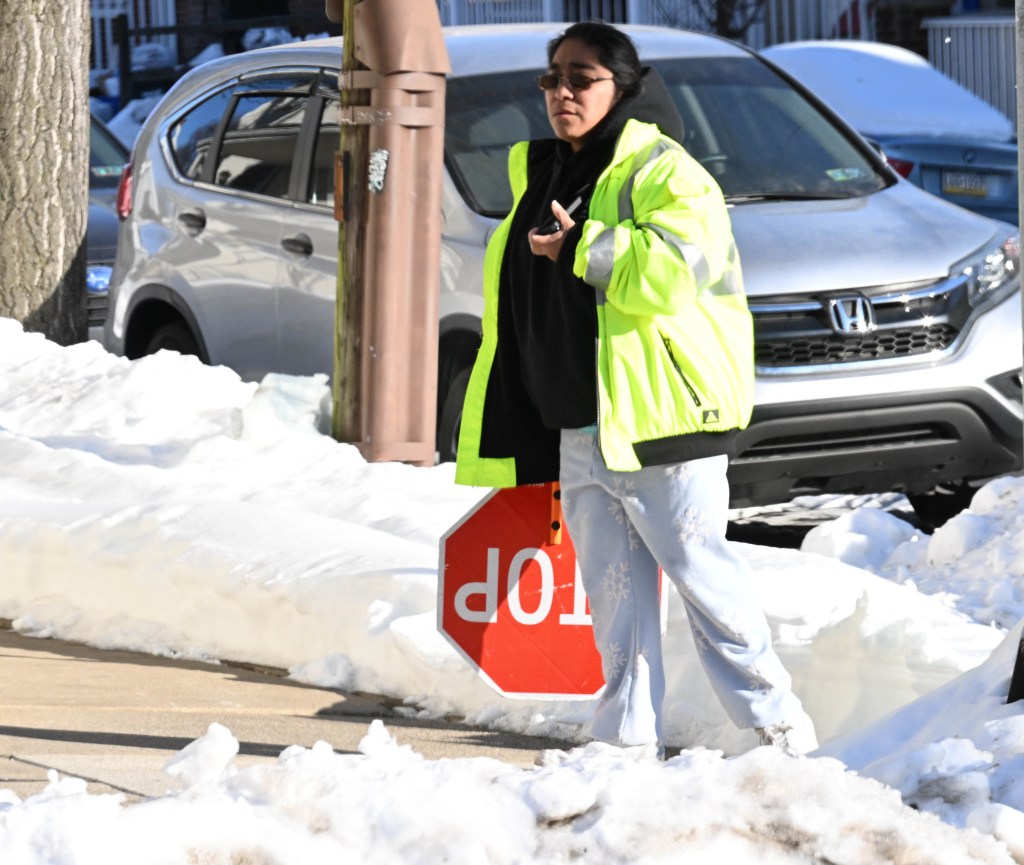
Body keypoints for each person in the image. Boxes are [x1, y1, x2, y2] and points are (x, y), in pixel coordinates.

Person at [454, 21, 817, 758]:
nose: (561, 93)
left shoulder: (667, 171)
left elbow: (676, 270)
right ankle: (623, 742)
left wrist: (584, 246)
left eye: (580, 79)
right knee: (614, 598)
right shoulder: (545, 170)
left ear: (623, 86)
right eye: (551, 79)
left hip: (660, 422)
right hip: (582, 424)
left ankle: (779, 730)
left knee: (701, 575)